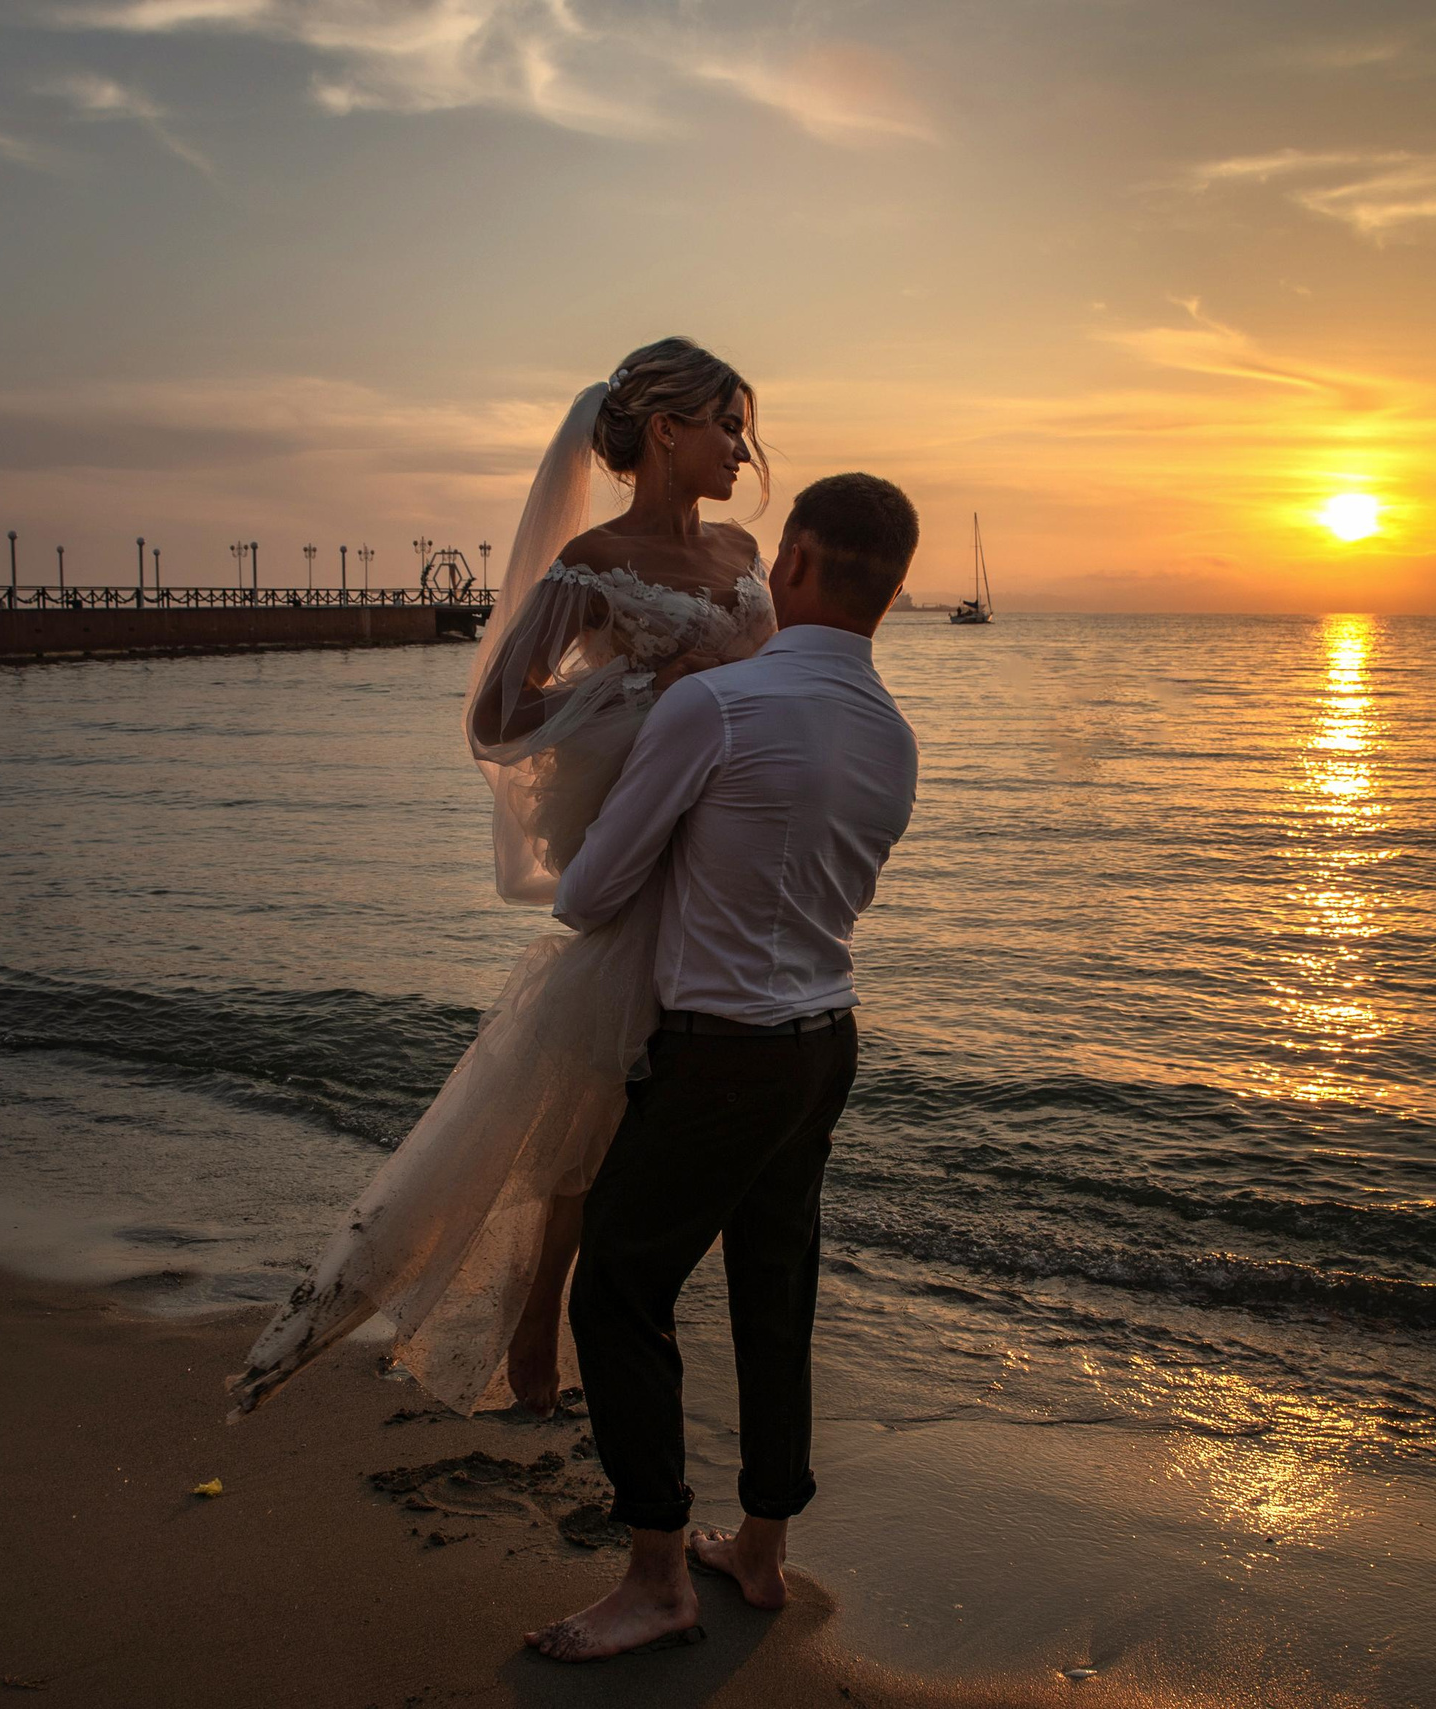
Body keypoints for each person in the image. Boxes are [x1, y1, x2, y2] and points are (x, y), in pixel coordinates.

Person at [226, 338, 779, 1421]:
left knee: (667, 1119)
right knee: (593, 1128)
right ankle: (541, 1334)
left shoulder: (745, 550)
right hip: (649, 856)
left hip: (739, 856)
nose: (741, 449)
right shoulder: (590, 564)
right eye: (725, 423)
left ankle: (608, 1327)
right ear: (665, 429)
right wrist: (646, 687)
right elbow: (495, 716)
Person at [524, 472, 921, 1662]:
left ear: (792, 563)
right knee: (774, 1284)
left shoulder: (718, 709)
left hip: (723, 1050)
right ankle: (759, 1544)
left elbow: (589, 895)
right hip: (823, 1041)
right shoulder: (895, 737)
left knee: (616, 1292)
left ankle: (655, 1574)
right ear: (892, 592)